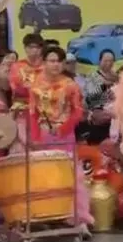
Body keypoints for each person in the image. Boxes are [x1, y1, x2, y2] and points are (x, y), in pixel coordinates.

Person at [29, 46, 92, 231]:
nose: (55, 65)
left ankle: (77, 218)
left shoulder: (70, 85)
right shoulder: (35, 85)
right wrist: (35, 136)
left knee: (70, 176)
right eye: (51, 61)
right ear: (44, 62)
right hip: (43, 135)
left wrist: (63, 129)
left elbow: (77, 112)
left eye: (59, 61)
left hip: (65, 136)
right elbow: (32, 113)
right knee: (44, 176)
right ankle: (46, 215)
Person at [8, 33, 45, 147]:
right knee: (22, 145)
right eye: (31, 47)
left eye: (37, 47)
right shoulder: (17, 66)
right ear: (25, 48)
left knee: (42, 146)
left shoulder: (46, 67)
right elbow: (16, 87)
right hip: (22, 111)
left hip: (43, 112)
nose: (34, 50)